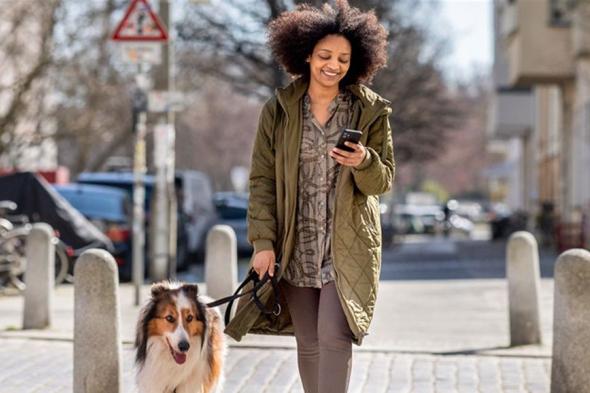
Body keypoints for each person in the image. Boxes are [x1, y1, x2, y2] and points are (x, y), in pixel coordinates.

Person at [224, 1, 393, 392]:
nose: (333, 65)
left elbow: (382, 181)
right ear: (306, 56)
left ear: (357, 63)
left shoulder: (370, 112)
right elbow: (261, 179)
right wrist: (263, 243)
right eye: (325, 56)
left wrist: (364, 159)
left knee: (335, 336)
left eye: (343, 59)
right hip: (294, 244)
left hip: (346, 244)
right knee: (310, 343)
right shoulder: (279, 110)